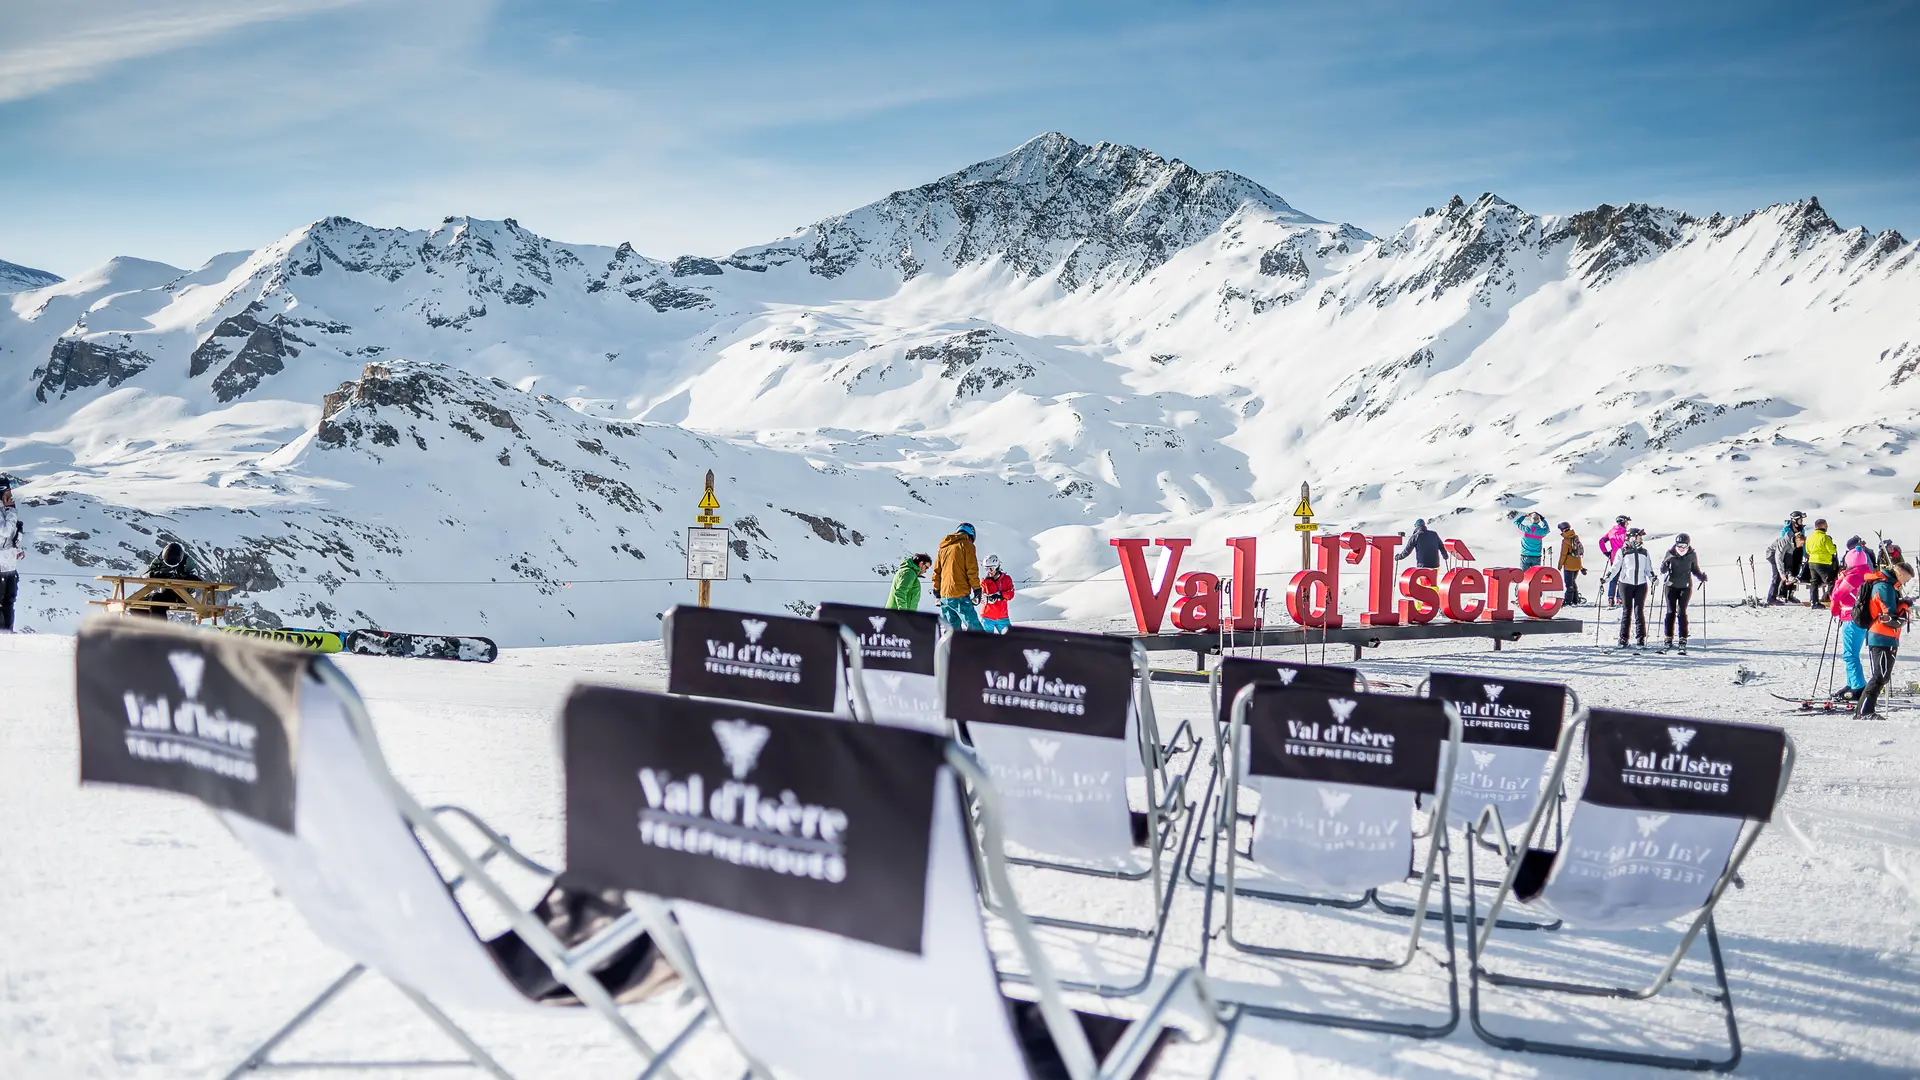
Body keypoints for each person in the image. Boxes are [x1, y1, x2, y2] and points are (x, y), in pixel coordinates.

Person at [1855, 560, 1914, 719]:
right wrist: (1905, 606)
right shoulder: (1884, 587)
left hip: (1887, 636)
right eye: (1906, 579)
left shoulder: (1889, 587)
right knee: (1879, 675)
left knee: (1883, 675)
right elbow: (1889, 616)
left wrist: (1903, 603)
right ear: (1900, 573)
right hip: (1881, 635)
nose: (1905, 583)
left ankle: (1866, 710)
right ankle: (1864, 712)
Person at [1831, 537, 1875, 703]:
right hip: (1863, 618)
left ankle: (1857, 686)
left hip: (1851, 617)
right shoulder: (1867, 575)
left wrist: (1839, 580)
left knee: (1850, 654)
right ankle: (1851, 684)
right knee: (1852, 653)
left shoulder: (1851, 577)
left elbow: (1836, 595)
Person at [1658, 533, 1707, 653]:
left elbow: (1695, 569)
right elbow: (1662, 570)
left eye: (1683, 545)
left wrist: (1701, 577)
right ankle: (1668, 638)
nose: (1681, 548)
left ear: (1688, 545)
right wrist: (1665, 564)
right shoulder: (1670, 553)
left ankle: (1683, 638)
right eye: (1679, 545)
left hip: (1685, 587)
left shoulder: (1691, 555)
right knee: (1670, 612)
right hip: (1670, 586)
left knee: (1681, 612)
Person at [931, 523, 983, 632]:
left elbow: (937, 572)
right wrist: (977, 590)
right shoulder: (967, 545)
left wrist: (937, 591)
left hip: (945, 596)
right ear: (971, 535)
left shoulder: (943, 548)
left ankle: (949, 649)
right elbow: (972, 570)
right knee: (974, 628)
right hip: (959, 594)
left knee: (951, 631)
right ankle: (984, 648)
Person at [1611, 528, 1656, 648]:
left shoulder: (1644, 552)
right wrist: (1606, 579)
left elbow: (1648, 569)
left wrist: (1653, 579)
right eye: (1639, 536)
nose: (1641, 538)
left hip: (1641, 585)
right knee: (1627, 611)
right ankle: (1623, 639)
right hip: (1625, 584)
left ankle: (1640, 638)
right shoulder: (1623, 551)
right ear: (1632, 537)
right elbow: (1615, 567)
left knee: (1639, 611)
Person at [138, 540, 207, 618]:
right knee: (136, 605)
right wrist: (154, 574)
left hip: (183, 595)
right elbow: (145, 576)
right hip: (163, 592)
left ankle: (159, 628)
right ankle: (144, 626)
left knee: (157, 600)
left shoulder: (188, 562)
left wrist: (183, 577)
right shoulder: (159, 560)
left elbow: (196, 580)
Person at [0, 480, 22, 633]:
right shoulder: (6, 512)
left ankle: (8, 632)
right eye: (8, 491)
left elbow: (11, 537)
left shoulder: (5, 512)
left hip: (10, 567)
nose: (11, 495)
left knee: (9, 601)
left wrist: (19, 548)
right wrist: (11, 511)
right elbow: (5, 532)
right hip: (0, 567)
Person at [1599, 515, 1631, 604]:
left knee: (1613, 577)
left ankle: (1610, 598)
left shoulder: (1611, 531)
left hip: (1613, 557)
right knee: (1622, 578)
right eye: (1626, 522)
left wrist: (1606, 552)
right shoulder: (1625, 533)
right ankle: (1619, 598)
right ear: (1623, 522)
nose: (1627, 524)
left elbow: (1601, 541)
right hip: (1624, 557)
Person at [1805, 519, 1838, 606]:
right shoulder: (1825, 538)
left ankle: (1814, 601)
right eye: (1826, 525)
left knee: (1814, 582)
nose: (1827, 527)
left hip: (1812, 562)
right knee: (1830, 582)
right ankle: (1832, 599)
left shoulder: (1810, 537)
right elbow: (1831, 550)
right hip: (1823, 563)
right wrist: (1834, 547)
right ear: (1822, 526)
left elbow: (1807, 550)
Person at [979, 555, 1015, 633]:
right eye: (986, 569)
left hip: (1002, 617)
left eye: (991, 569)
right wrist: (986, 598)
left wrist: (1000, 595)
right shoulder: (984, 581)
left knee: (1010, 640)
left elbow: (1011, 594)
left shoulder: (1006, 579)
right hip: (987, 617)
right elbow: (981, 597)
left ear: (997, 567)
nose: (988, 571)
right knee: (986, 642)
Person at [1765, 530, 1799, 605]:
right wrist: (1781, 573)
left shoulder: (1792, 543)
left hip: (1781, 556)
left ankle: (1778, 595)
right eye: (1801, 543)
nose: (1801, 545)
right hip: (1772, 554)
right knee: (1777, 576)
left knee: (1785, 571)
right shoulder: (1784, 543)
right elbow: (1778, 558)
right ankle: (1771, 598)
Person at [1556, 522, 1585, 606]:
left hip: (1569, 564)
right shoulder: (1575, 537)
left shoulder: (1565, 540)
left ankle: (1568, 601)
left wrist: (1560, 565)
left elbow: (1563, 554)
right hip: (1577, 563)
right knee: (1573, 581)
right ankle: (1575, 599)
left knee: (1569, 583)